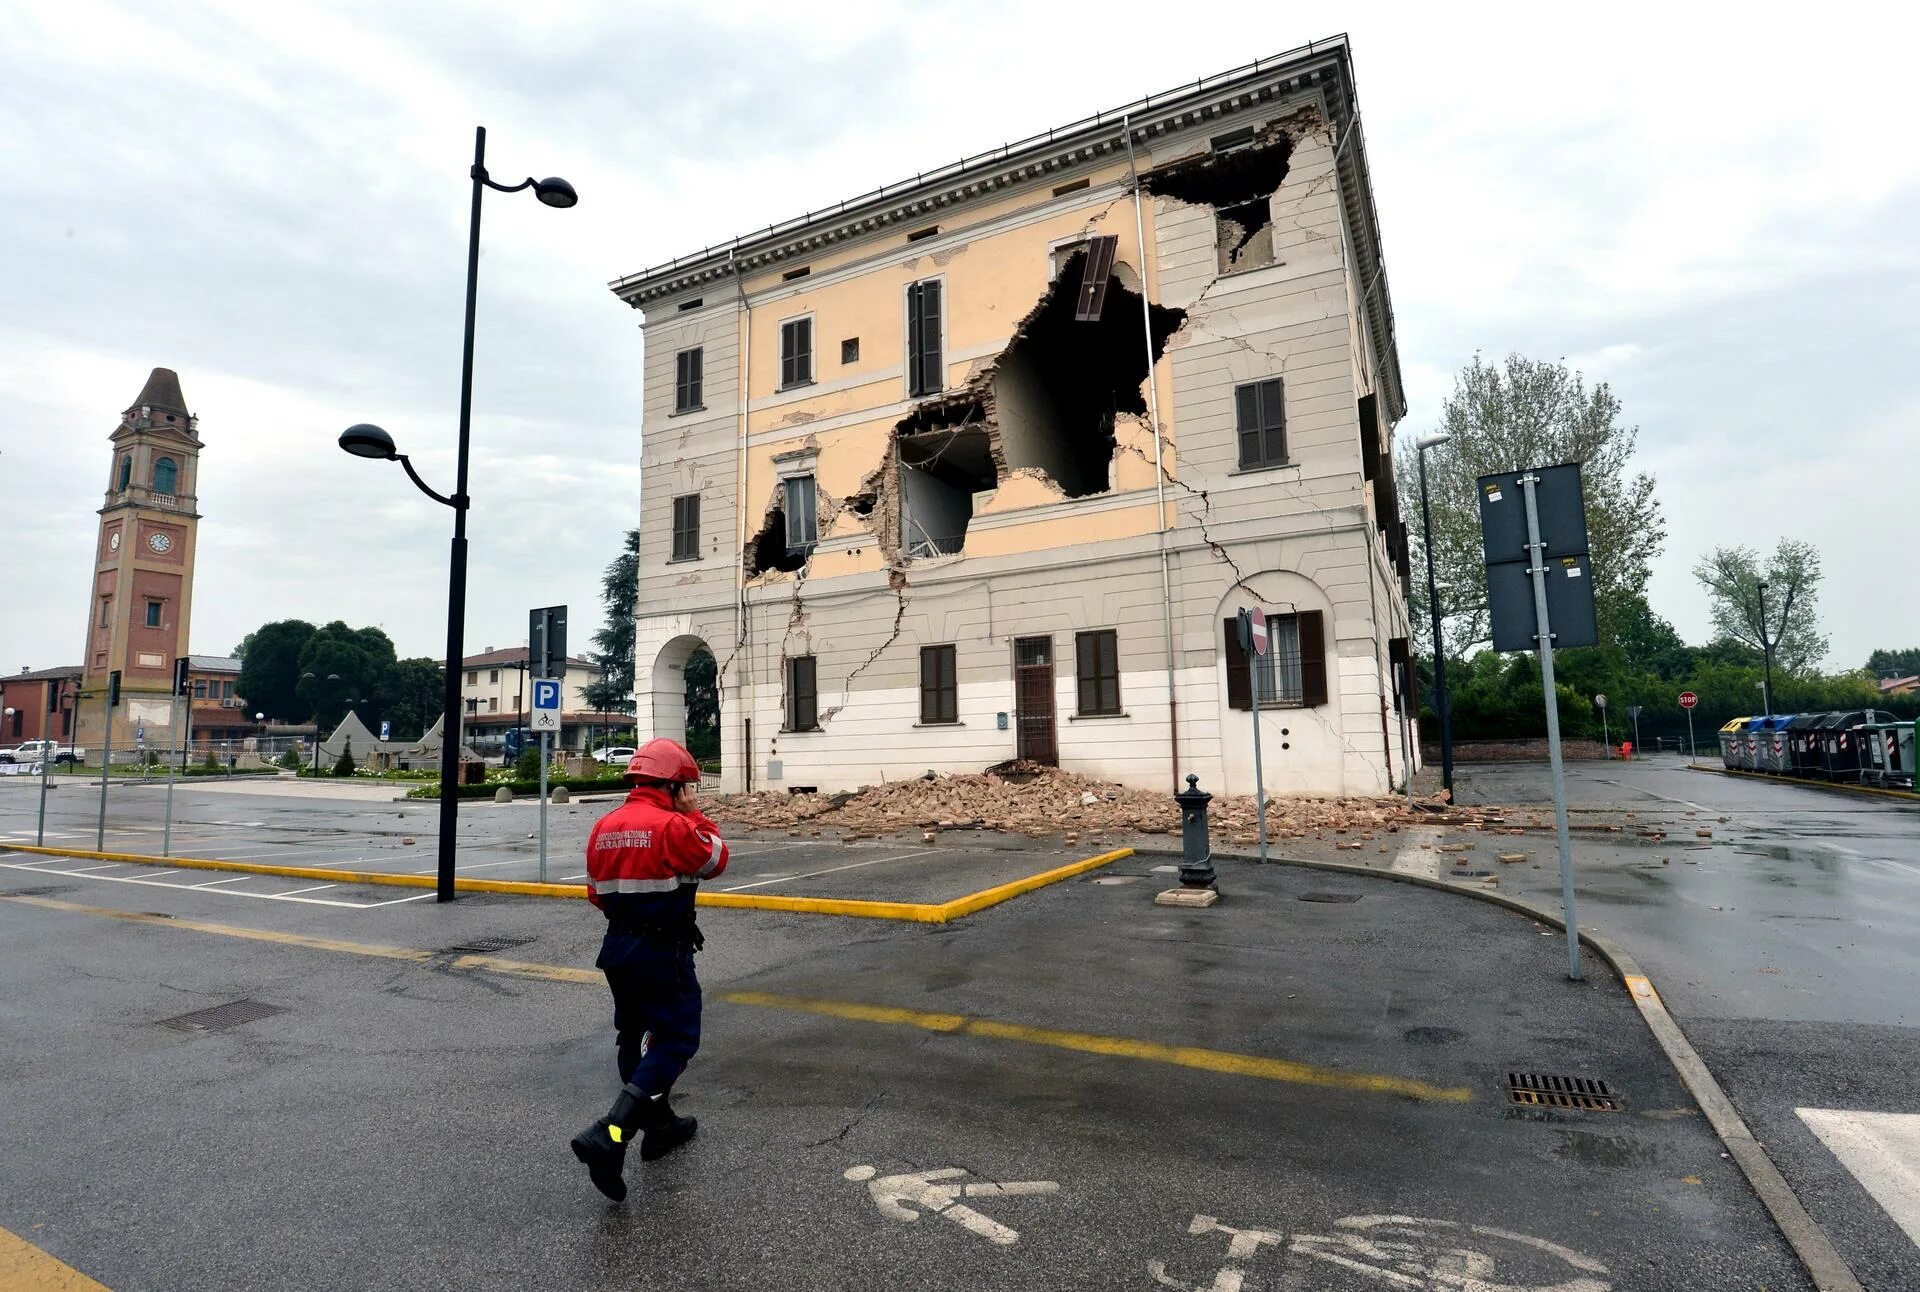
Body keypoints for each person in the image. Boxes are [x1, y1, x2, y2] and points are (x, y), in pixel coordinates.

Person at [570, 738, 729, 1201]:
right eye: (687, 786)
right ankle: (610, 1132)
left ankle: (656, 1130)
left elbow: (597, 894)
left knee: (633, 1038)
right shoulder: (674, 826)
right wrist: (694, 813)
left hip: (617, 948)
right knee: (676, 1039)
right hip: (663, 951)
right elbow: (716, 858)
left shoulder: (604, 827)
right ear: (675, 785)